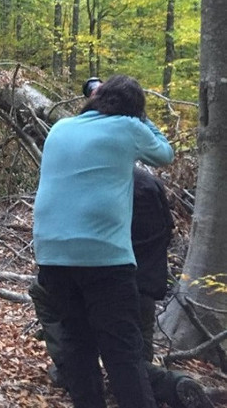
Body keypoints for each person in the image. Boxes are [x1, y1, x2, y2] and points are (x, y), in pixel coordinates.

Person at [33, 74, 175, 408]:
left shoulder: (61, 127)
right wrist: (141, 117)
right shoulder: (128, 127)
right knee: (123, 351)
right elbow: (165, 153)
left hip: (52, 254)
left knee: (77, 343)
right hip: (104, 257)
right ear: (132, 110)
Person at [30, 167, 213, 408]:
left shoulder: (97, 186)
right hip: (147, 291)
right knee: (133, 361)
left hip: (109, 287)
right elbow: (166, 231)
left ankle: (69, 367)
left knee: (46, 296)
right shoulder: (149, 184)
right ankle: (172, 386)